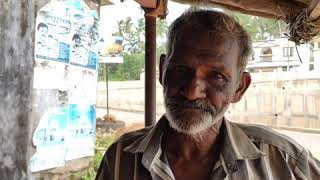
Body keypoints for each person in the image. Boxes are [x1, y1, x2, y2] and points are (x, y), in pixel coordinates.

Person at [96, 8, 320, 180]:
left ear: (240, 87)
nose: (192, 92)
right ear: (163, 71)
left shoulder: (283, 161)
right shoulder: (121, 158)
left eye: (216, 77)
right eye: (181, 71)